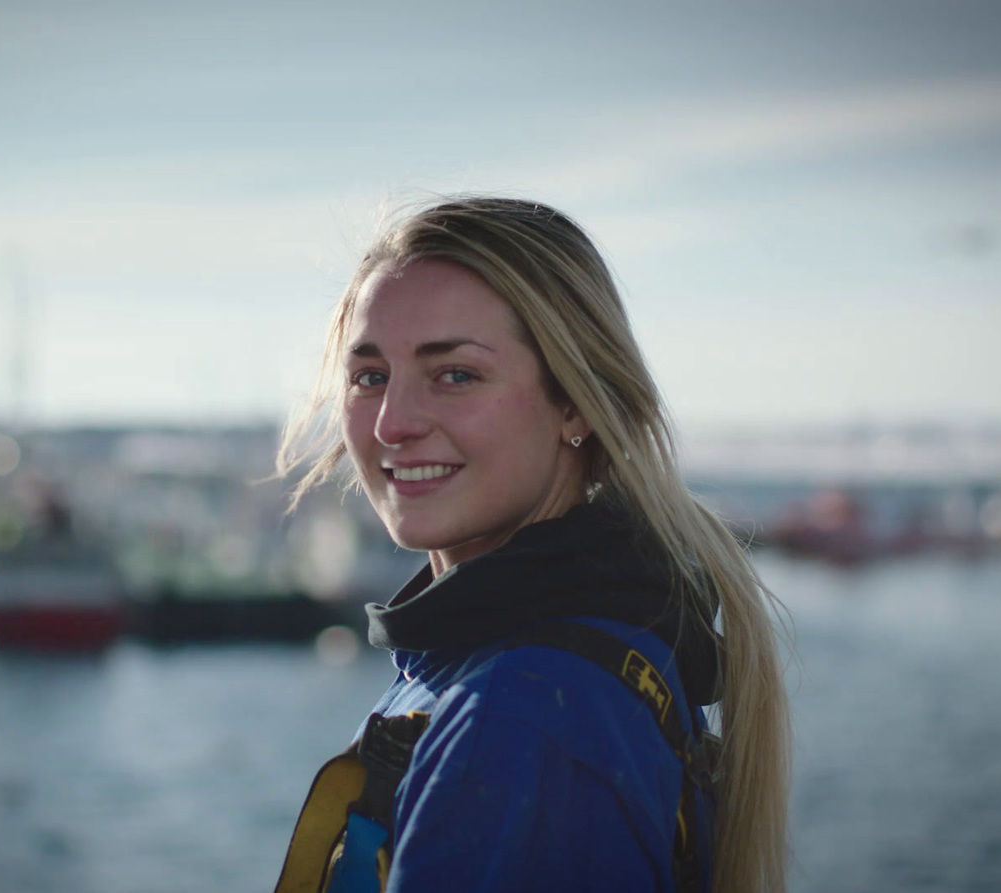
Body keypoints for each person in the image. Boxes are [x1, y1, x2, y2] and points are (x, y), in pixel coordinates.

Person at [275, 197, 790, 893]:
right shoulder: (561, 661)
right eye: (370, 376)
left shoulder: (522, 721)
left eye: (454, 373)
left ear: (574, 403)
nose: (393, 423)